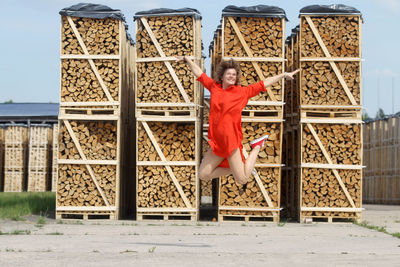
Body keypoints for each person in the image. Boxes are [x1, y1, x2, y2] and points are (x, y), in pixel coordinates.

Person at [176, 56, 299, 185]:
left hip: (230, 142)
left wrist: (283, 75)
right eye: (228, 74)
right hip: (217, 143)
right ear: (222, 76)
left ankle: (257, 146)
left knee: (242, 179)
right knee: (203, 174)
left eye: (234, 74)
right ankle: (238, 169)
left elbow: (263, 83)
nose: (231, 76)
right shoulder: (214, 87)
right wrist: (187, 59)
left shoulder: (242, 92)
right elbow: (199, 73)